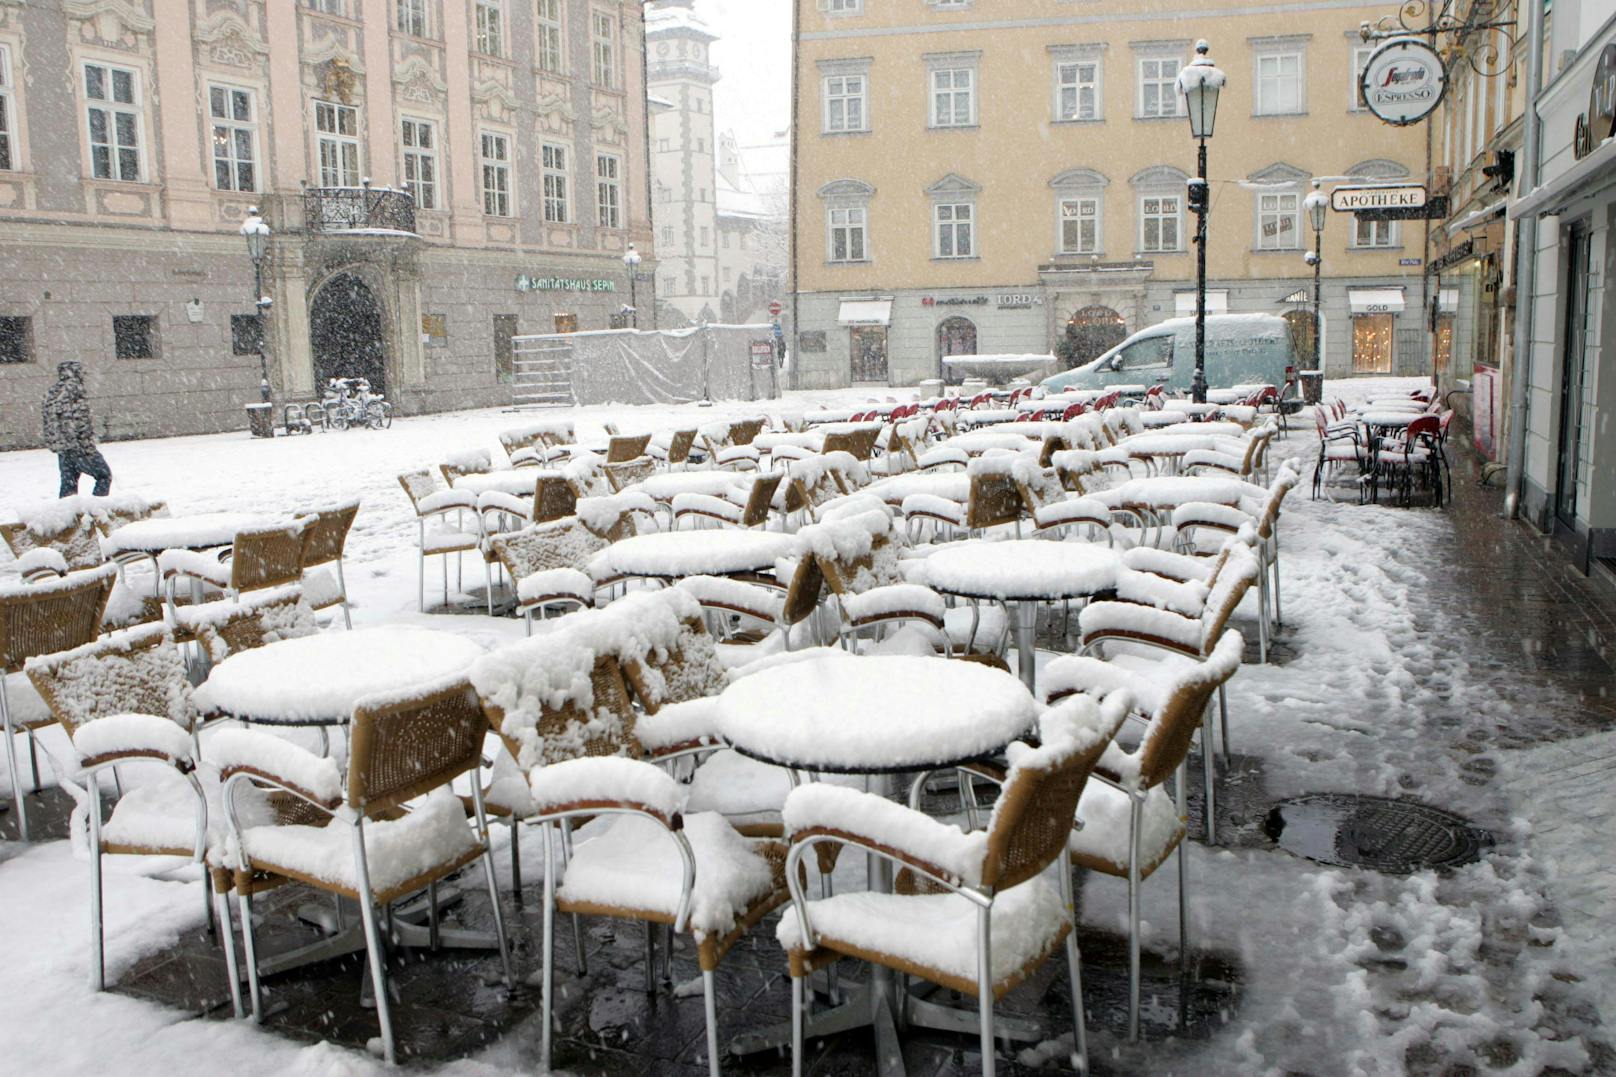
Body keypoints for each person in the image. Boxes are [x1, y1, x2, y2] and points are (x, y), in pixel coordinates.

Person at [42, 361, 112, 498]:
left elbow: (48, 423)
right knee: (104, 475)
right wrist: (88, 447)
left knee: (69, 485)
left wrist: (56, 444)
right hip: (78, 446)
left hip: (62, 448)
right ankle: (95, 512)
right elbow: (80, 422)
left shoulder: (51, 393)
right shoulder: (75, 390)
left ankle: (67, 515)